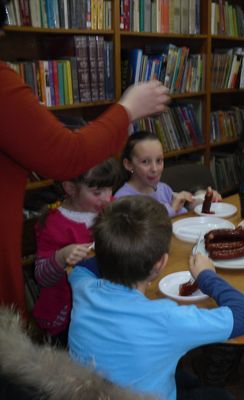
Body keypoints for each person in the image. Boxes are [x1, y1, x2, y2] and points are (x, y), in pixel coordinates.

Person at [0, 0, 170, 314]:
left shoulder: (110, 209)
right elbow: (67, 155)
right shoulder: (57, 223)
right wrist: (128, 109)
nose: (106, 198)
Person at [68, 195, 244, 400]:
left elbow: (81, 268)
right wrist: (206, 276)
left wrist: (112, 252)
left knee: (185, 379)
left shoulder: (82, 287)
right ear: (161, 263)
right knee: (222, 397)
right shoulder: (166, 318)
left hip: (89, 392)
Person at [32, 158, 119, 347]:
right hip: (67, 317)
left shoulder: (111, 206)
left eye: (110, 189)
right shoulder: (53, 224)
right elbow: (42, 277)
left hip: (105, 308)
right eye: (97, 193)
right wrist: (61, 256)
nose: (107, 198)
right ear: (70, 188)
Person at [114, 131, 221, 217]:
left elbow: (182, 211)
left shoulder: (163, 189)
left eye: (159, 160)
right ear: (128, 164)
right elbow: (141, 230)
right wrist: (172, 209)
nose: (154, 169)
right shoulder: (122, 199)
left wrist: (202, 200)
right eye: (145, 162)